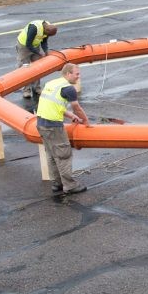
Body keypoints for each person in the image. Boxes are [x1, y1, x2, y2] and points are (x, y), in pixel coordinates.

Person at [36, 63, 89, 195]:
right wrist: (86, 121)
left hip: (41, 123)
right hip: (53, 126)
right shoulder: (68, 88)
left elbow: (53, 103)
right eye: (76, 74)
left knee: (51, 155)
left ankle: (57, 183)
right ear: (68, 74)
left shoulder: (51, 83)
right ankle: (70, 186)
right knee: (63, 155)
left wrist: (70, 115)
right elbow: (77, 107)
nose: (78, 76)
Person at [16, 20, 58, 99]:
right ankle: (26, 90)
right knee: (25, 68)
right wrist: (39, 53)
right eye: (46, 34)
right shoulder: (34, 28)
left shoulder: (48, 28)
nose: (46, 35)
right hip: (24, 46)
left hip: (35, 45)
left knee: (38, 67)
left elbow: (44, 41)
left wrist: (46, 51)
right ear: (46, 30)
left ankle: (37, 88)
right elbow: (28, 43)